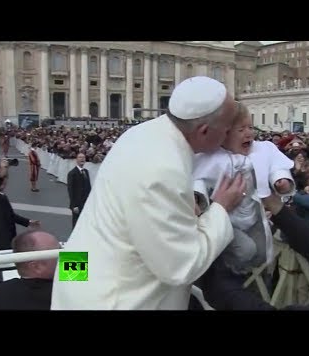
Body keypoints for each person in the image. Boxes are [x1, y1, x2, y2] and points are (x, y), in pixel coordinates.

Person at [51, 76, 245, 310]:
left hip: (79, 272)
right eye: (227, 129)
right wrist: (221, 209)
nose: (229, 134)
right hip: (109, 298)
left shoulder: (142, 133)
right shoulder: (163, 168)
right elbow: (181, 266)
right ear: (204, 131)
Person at [193, 102, 294, 275]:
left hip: (253, 216)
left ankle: (249, 275)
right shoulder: (210, 158)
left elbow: (276, 165)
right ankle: (226, 271)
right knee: (246, 250)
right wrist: (197, 198)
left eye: (250, 127)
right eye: (240, 130)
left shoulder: (263, 149)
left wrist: (282, 180)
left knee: (262, 252)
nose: (248, 133)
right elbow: (198, 180)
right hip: (226, 219)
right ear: (223, 135)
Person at [0, 230, 61, 310]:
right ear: (36, 266)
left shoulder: (0, 292)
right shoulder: (60, 292)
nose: (65, 257)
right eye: (58, 251)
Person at [0, 159, 40, 252]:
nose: (4, 180)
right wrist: (3, 171)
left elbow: (10, 215)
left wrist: (28, 222)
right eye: (1, 177)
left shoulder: (2, 195)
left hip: (7, 241)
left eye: (6, 177)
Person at [66, 153, 91, 228]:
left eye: (83, 157)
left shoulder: (86, 171)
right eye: (80, 157)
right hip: (77, 204)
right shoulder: (72, 173)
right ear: (76, 160)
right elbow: (70, 191)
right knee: (76, 223)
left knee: (85, 223)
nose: (82, 159)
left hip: (86, 203)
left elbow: (88, 187)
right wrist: (74, 205)